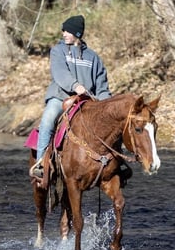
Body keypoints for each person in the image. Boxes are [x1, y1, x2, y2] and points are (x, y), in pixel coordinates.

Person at [29, 14, 112, 178]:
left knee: (113, 124)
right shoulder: (58, 51)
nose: (64, 34)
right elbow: (60, 73)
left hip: (87, 102)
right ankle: (41, 164)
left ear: (78, 34)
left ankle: (117, 163)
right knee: (48, 119)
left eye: (67, 31)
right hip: (60, 98)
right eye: (63, 31)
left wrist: (106, 105)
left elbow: (102, 86)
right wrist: (76, 86)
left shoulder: (93, 58)